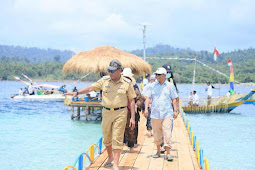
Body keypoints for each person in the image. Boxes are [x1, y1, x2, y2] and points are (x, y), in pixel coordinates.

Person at [65, 59, 136, 170]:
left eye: (112, 71)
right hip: (106, 112)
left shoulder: (126, 83)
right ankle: (110, 157)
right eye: (109, 70)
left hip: (120, 113)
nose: (110, 73)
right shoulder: (104, 81)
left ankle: (116, 164)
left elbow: (132, 100)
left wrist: (132, 118)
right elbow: (91, 87)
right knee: (106, 137)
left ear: (119, 71)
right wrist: (77, 92)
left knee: (117, 138)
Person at [144, 67, 179, 162]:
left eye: (159, 75)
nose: (157, 76)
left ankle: (168, 153)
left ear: (164, 75)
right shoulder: (152, 85)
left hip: (167, 113)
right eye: (156, 74)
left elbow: (174, 98)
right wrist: (146, 109)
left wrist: (175, 110)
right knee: (157, 133)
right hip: (155, 113)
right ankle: (158, 151)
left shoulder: (170, 86)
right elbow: (147, 97)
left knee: (167, 133)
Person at [122, 68, 142, 151]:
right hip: (123, 110)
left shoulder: (134, 87)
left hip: (131, 111)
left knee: (132, 129)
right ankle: (122, 145)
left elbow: (139, 98)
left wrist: (138, 106)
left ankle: (131, 145)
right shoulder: (120, 86)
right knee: (121, 129)